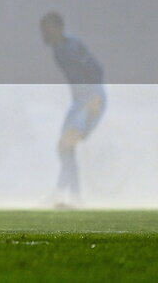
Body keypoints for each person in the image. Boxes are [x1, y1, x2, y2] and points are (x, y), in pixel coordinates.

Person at [40, 12, 106, 208]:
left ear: (58, 28)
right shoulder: (58, 49)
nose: (43, 34)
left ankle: (65, 196)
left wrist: (93, 99)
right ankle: (73, 197)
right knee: (65, 149)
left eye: (47, 29)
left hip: (91, 100)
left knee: (65, 146)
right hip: (79, 102)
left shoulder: (72, 46)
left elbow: (97, 70)